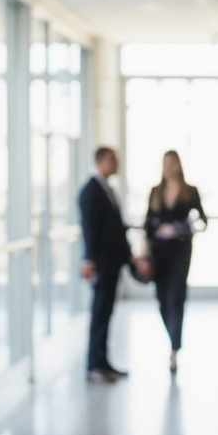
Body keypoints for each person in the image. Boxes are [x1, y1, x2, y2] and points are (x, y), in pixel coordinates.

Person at [79, 147, 138, 384]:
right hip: (101, 265)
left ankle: (103, 362)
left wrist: (129, 255)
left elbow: (115, 228)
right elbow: (90, 230)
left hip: (110, 264)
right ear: (101, 161)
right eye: (114, 160)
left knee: (106, 313)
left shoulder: (106, 189)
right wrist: (89, 260)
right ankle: (94, 365)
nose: (118, 164)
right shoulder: (91, 191)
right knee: (99, 314)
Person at [145, 150, 207, 374]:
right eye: (165, 163)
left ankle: (174, 349)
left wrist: (181, 228)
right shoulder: (155, 191)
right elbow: (147, 223)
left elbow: (202, 221)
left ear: (179, 165)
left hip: (181, 250)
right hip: (159, 252)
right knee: (162, 297)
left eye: (172, 163)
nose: (169, 167)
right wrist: (157, 230)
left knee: (176, 296)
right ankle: (172, 337)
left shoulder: (190, 191)